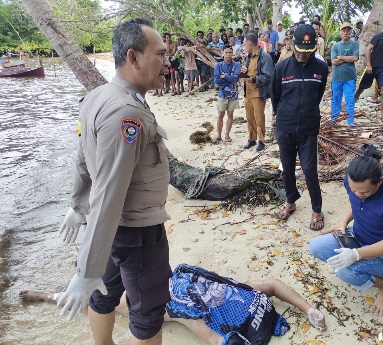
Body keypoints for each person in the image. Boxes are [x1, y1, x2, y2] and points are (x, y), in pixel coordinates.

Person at [57, 18, 172, 345]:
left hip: (107, 229)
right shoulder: (127, 114)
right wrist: (84, 271)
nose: (167, 62)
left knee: (103, 293)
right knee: (147, 313)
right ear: (133, 58)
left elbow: (83, 157)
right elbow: (109, 191)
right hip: (136, 233)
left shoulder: (97, 96)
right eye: (160, 54)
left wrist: (78, 207)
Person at [20, 264, 327, 345]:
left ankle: (50, 296)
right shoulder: (242, 292)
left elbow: (273, 285)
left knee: (105, 300)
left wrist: (307, 308)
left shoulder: (201, 315)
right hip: (164, 290)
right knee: (104, 299)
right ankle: (50, 296)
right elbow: (273, 285)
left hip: (164, 297)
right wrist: (307, 308)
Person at [309, 145, 383, 317]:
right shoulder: (352, 181)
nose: (358, 194)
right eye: (354, 190)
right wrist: (343, 221)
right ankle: (364, 269)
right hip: (359, 237)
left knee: (346, 272)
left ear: (380, 181)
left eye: (365, 192)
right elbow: (356, 203)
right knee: (316, 246)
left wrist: (356, 254)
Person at [271, 24, 328, 230]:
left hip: (308, 128)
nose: (303, 56)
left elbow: (318, 94)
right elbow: (275, 96)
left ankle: (316, 209)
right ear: (291, 45)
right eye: (299, 51)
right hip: (285, 127)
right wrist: (283, 116)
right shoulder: (281, 67)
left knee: (310, 170)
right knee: (287, 169)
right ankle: (290, 202)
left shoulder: (321, 68)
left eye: (308, 52)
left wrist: (307, 112)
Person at [240, 31, 273, 152]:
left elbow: (267, 77)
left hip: (258, 92)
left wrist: (252, 79)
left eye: (244, 45)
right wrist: (244, 71)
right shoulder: (249, 57)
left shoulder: (265, 57)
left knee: (259, 118)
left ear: (250, 44)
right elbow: (250, 72)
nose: (244, 47)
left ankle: (261, 141)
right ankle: (252, 139)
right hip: (248, 92)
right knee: (249, 117)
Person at [330, 22, 360, 128]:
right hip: (337, 77)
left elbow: (355, 58)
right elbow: (333, 62)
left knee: (350, 99)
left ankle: (350, 122)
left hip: (350, 77)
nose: (346, 33)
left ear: (351, 32)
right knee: (336, 99)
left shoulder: (355, 44)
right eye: (343, 30)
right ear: (340, 32)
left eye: (348, 30)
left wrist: (341, 57)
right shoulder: (335, 46)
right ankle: (333, 120)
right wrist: (348, 59)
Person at [213, 45, 241, 143]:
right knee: (220, 114)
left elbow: (236, 78)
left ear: (232, 54)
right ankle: (219, 135)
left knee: (230, 114)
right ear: (222, 54)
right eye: (226, 53)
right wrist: (230, 79)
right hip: (222, 93)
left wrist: (224, 76)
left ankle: (227, 135)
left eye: (230, 52)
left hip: (233, 94)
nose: (228, 55)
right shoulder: (218, 65)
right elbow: (216, 81)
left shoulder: (237, 65)